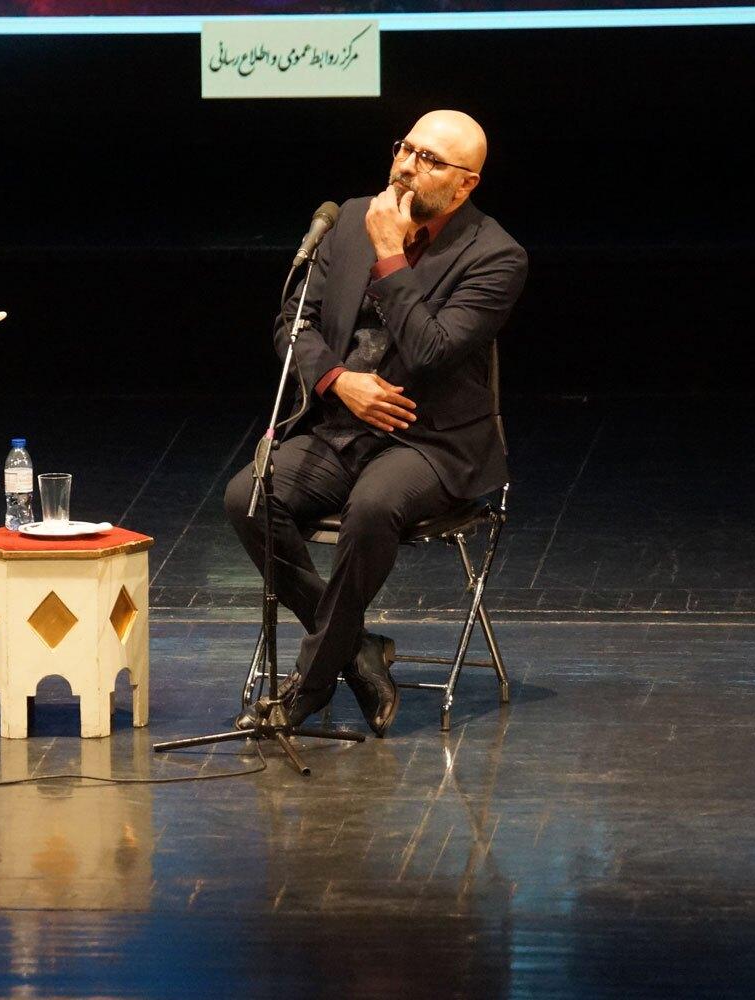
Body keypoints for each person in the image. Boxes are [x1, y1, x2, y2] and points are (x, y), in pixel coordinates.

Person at [223, 110, 528, 736]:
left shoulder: (496, 256)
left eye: (429, 159)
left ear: (466, 183)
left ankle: (307, 686)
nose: (407, 167)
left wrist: (391, 254)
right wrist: (338, 381)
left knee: (371, 508)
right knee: (249, 496)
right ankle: (354, 647)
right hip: (341, 425)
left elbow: (431, 352)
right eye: (405, 149)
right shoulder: (349, 221)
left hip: (430, 440)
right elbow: (294, 325)